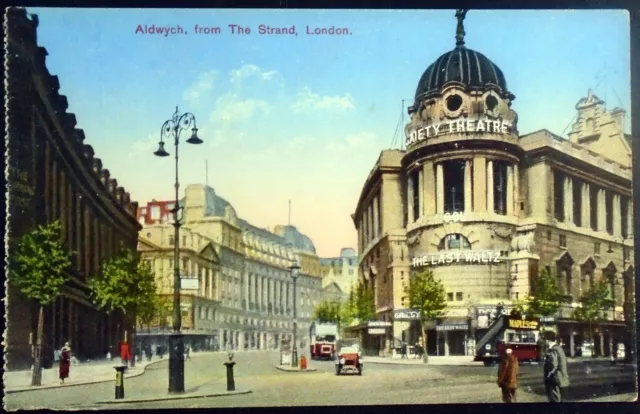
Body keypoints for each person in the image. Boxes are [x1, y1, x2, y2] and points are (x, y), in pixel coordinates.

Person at [543, 331, 570, 402]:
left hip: (555, 381)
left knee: (555, 401)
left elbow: (553, 366)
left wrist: (548, 376)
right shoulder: (559, 349)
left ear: (547, 340)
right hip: (562, 380)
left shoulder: (552, 351)